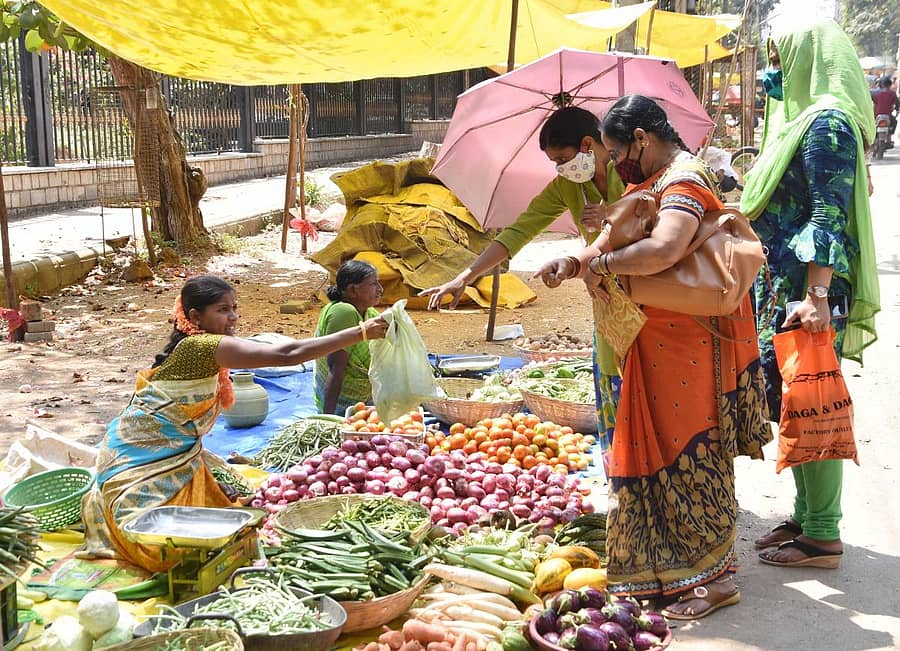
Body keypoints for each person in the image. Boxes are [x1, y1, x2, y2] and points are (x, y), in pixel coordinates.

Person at [536, 95, 772, 619]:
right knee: (657, 454)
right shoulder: (654, 180)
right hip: (654, 341)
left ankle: (715, 577)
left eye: (619, 151)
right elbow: (608, 239)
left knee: (690, 454)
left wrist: (608, 266)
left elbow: (665, 249)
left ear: (641, 139)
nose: (615, 163)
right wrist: (576, 261)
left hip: (688, 345)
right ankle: (669, 567)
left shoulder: (684, 180)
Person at [80, 275, 388, 571]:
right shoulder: (201, 346)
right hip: (139, 455)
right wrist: (359, 332)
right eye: (223, 310)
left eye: (235, 308)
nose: (233, 317)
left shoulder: (200, 344)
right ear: (194, 316)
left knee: (229, 508)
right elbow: (288, 353)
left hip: (174, 451)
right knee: (162, 552)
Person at [741, 20, 879, 568]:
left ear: (809, 55)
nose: (776, 68)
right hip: (789, 286)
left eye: (782, 56)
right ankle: (806, 518)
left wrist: (817, 295)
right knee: (793, 401)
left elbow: (829, 210)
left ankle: (823, 534)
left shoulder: (827, 123)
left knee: (812, 399)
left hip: (809, 291)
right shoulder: (803, 118)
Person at [419, 106, 626, 446]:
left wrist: (613, 215)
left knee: (641, 379)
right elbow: (518, 232)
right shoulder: (567, 186)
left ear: (589, 144)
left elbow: (652, 219)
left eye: (562, 158)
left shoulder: (630, 173)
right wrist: (465, 277)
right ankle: (617, 461)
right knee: (609, 376)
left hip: (643, 289)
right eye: (554, 162)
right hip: (604, 294)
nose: (560, 168)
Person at [314, 260, 383, 416]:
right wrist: (328, 419)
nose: (380, 289)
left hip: (364, 405)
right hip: (343, 407)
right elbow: (335, 370)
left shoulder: (369, 313)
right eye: (373, 284)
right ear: (352, 290)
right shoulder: (343, 312)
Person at [871, 76, 898, 144]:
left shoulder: (874, 93)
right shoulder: (893, 93)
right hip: (888, 116)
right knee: (894, 122)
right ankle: (889, 137)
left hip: (876, 115)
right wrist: (896, 111)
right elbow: (897, 104)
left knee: (872, 126)